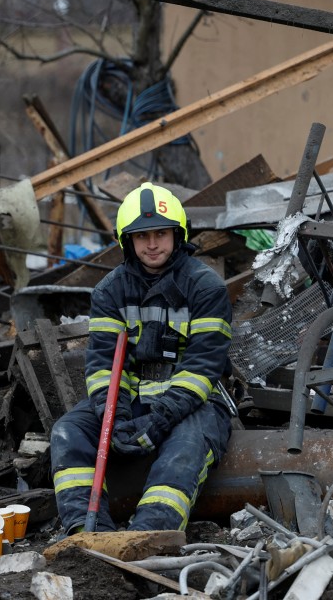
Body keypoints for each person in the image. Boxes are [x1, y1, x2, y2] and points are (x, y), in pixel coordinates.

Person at [50, 182, 234, 533]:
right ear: (126, 241)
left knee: (187, 446)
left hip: (195, 402)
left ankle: (150, 535)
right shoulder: (110, 291)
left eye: (161, 234)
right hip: (131, 401)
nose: (152, 245)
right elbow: (103, 365)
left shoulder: (206, 287)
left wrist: (161, 420)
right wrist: (114, 417)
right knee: (67, 431)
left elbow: (202, 366)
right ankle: (86, 532)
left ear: (178, 235)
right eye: (142, 236)